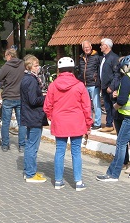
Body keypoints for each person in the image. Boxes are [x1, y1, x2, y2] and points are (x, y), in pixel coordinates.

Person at [44, 57, 92, 191]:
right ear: (72, 70)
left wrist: (51, 117)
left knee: (59, 151)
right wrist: (88, 124)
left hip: (60, 121)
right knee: (76, 152)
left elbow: (47, 105)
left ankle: (58, 181)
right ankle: (78, 182)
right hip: (77, 122)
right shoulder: (79, 85)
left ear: (59, 70)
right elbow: (86, 107)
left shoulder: (53, 85)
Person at [0, 48, 26, 152]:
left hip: (8, 98)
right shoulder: (23, 65)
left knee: (6, 123)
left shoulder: (6, 66)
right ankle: (22, 146)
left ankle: (5, 145)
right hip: (20, 97)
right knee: (21, 123)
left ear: (8, 55)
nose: (5, 58)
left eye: (5, 56)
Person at [21, 55, 48, 183]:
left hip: (29, 115)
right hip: (34, 116)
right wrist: (45, 98)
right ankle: (31, 173)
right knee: (32, 146)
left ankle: (28, 171)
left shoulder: (26, 78)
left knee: (29, 145)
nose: (38, 68)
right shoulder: (31, 80)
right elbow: (33, 100)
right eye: (36, 65)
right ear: (29, 67)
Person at [110, 57, 130, 174]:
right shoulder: (117, 76)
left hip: (128, 112)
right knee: (121, 139)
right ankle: (124, 161)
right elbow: (111, 89)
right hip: (118, 111)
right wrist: (113, 93)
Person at [78, 40, 102, 130]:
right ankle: (89, 121)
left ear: (91, 47)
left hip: (93, 84)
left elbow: (99, 70)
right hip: (84, 84)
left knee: (96, 104)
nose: (86, 49)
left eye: (87, 47)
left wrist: (98, 81)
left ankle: (97, 122)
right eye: (85, 48)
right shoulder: (81, 58)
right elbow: (80, 71)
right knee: (86, 105)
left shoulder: (96, 57)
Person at [99, 38, 119, 132]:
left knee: (114, 107)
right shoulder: (104, 57)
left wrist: (112, 86)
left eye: (101, 45)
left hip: (111, 87)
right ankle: (109, 124)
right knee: (107, 107)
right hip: (104, 86)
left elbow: (117, 74)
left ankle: (116, 126)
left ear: (106, 46)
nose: (100, 47)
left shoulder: (114, 58)